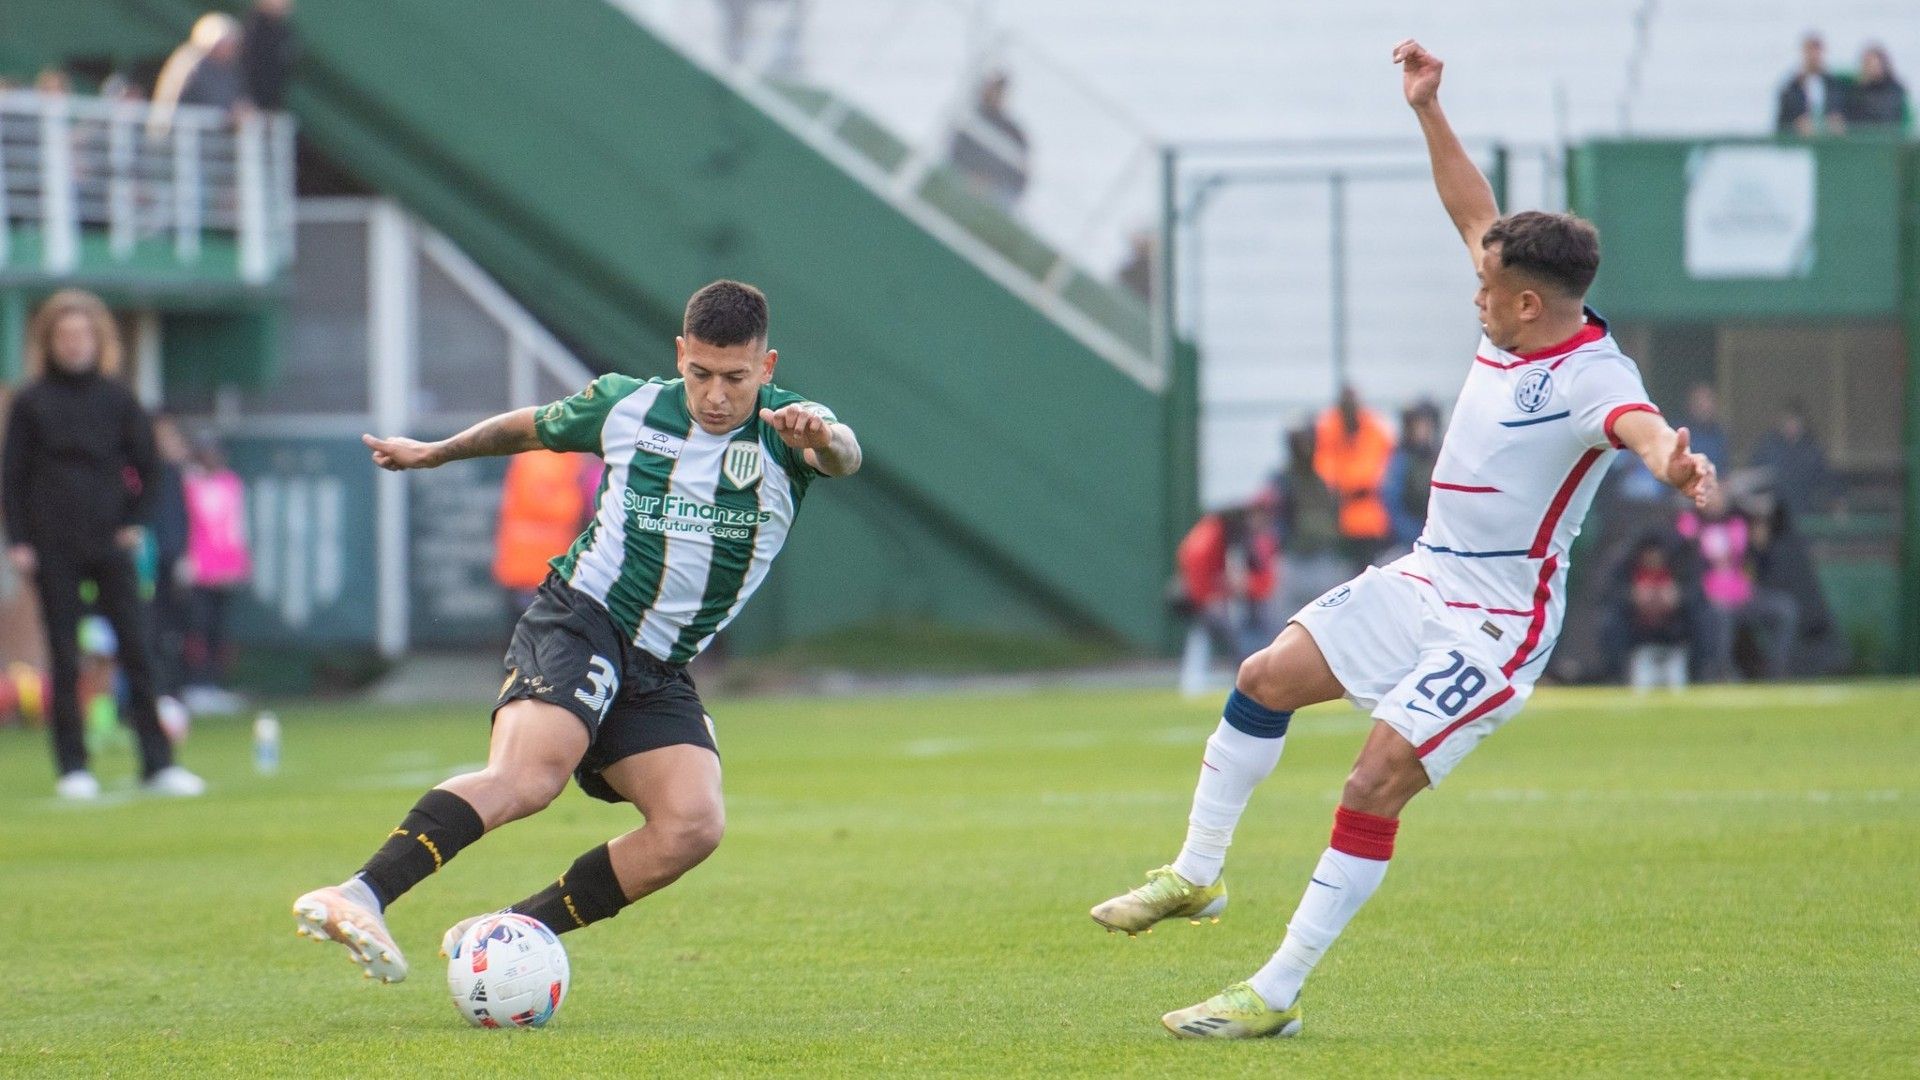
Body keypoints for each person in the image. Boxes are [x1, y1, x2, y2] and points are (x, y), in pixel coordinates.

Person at [1092, 41, 1716, 1040]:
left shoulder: (1595, 376)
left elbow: (1640, 426)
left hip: (1497, 624)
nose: (1473, 291)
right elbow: (1473, 208)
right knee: (1262, 675)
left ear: (1524, 302)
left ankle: (1276, 994)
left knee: (1374, 779)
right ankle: (1197, 874)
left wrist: (1674, 466)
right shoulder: (1514, 314)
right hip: (1424, 577)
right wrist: (1428, 108)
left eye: (1487, 286)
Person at [292, 280, 862, 985]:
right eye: (701, 374)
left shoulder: (788, 428)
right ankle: (357, 894)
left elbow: (843, 456)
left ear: (767, 368)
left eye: (736, 379)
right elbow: (528, 426)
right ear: (680, 355)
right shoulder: (631, 405)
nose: (716, 395)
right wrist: (435, 452)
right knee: (530, 777)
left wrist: (826, 436)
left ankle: (513, 929)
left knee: (692, 824)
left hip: (658, 666)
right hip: (582, 618)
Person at [1, 290, 206, 800]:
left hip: (110, 542)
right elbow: (13, 476)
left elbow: (151, 467)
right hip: (53, 546)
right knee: (65, 656)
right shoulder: (31, 403)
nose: (74, 345)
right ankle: (74, 767)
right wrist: (21, 541)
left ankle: (157, 763)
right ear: (50, 342)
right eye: (64, 336)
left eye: (83, 335)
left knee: (137, 648)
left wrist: (135, 522)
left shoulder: (118, 398)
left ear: (98, 341)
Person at [1678, 488, 1797, 682]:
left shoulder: (1738, 524)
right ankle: (1722, 672)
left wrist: (1760, 547)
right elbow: (1684, 566)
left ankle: (1776, 672)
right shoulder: (1689, 525)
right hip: (1707, 600)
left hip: (1742, 597)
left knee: (1784, 609)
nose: (1714, 500)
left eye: (1717, 493)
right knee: (1720, 616)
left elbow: (1759, 564)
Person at [181, 432, 252, 709]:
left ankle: (212, 684)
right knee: (197, 625)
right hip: (198, 568)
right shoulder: (190, 483)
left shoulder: (230, 483)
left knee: (218, 629)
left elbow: (236, 524)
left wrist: (239, 560)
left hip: (225, 566)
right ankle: (195, 684)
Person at [1176, 499, 1280, 672]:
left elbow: (1267, 582)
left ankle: (1260, 669)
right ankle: (1246, 670)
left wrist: (1247, 584)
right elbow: (1195, 560)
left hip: (1254, 605)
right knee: (1233, 625)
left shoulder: (1258, 541)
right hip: (1218, 601)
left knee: (1266, 625)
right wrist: (1211, 596)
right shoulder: (1215, 532)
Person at [493, 448, 595, 612]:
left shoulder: (565, 459)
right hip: (530, 570)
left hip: (548, 568)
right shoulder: (541, 459)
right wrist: (583, 498)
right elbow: (545, 504)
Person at [1313, 385, 1396, 568]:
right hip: (1341, 519)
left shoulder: (1373, 427)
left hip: (1371, 518)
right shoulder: (1329, 426)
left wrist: (1352, 482)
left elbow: (1380, 466)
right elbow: (1325, 467)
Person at [947, 72, 1030, 211]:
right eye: (991, 88)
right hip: (964, 179)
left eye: (998, 90)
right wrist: (973, 176)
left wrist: (991, 183)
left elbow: (1020, 177)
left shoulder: (1015, 134)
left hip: (997, 193)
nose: (993, 94)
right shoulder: (970, 118)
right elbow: (955, 152)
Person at [1747, 401, 1834, 522]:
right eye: (1788, 420)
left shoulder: (1812, 449)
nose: (1791, 425)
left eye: (1795, 421)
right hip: (1774, 516)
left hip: (1804, 514)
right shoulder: (1767, 447)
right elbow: (1754, 478)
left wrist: (1836, 501)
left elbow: (1826, 479)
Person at [1380, 401, 1442, 553]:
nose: (1424, 430)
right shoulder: (1401, 460)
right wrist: (1414, 535)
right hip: (1409, 542)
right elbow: (1392, 502)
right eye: (1419, 425)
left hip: (1437, 538)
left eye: (1428, 424)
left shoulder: (1439, 456)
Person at [1777, 33, 1846, 136]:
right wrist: (1796, 126)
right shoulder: (1791, 88)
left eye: (1817, 51)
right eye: (1810, 51)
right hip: (1800, 146)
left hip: (1828, 144)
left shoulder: (1833, 85)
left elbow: (1843, 113)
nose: (1814, 56)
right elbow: (1781, 124)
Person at [240, 0, 299, 112]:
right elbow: (247, 65)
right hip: (249, 98)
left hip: (271, 99)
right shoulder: (253, 27)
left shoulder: (284, 31)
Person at [1844, 44, 1909, 131]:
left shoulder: (1894, 90)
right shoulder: (1856, 90)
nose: (1870, 68)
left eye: (1873, 64)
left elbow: (1887, 116)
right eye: (1867, 64)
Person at [1680, 384, 1727, 478]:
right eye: (1698, 401)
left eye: (1707, 400)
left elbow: (1724, 471)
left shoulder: (1719, 434)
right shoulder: (1680, 433)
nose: (1703, 406)